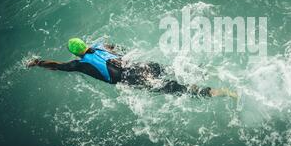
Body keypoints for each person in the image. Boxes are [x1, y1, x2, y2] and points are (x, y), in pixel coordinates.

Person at [27, 38, 237, 99]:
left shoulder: (78, 64)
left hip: (133, 79)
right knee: (176, 69)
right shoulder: (100, 46)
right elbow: (112, 44)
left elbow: (57, 66)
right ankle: (214, 71)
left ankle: (221, 92)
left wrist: (37, 62)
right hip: (140, 65)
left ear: (76, 53)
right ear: (86, 44)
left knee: (178, 89)